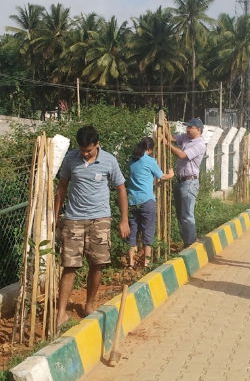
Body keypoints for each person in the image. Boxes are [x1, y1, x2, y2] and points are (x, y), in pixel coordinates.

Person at [54, 125, 129, 326]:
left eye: (89, 150)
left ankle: (89, 304)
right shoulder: (70, 159)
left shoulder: (109, 160)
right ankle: (61, 313)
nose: (85, 153)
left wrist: (124, 220)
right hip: (73, 219)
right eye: (82, 150)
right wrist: (55, 216)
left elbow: (121, 189)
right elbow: (62, 187)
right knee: (69, 266)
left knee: (97, 264)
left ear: (97, 144)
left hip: (100, 220)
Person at [126, 137, 173, 268]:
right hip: (146, 200)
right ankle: (146, 264)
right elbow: (162, 176)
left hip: (132, 201)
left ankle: (130, 263)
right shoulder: (150, 161)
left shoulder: (132, 160)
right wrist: (171, 174)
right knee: (148, 231)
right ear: (150, 149)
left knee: (132, 233)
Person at [165, 118, 207, 248]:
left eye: (190, 127)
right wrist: (165, 125)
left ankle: (190, 244)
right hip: (180, 181)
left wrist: (167, 145)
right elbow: (171, 138)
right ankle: (186, 242)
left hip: (189, 182)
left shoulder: (200, 144)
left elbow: (183, 155)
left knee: (187, 215)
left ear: (198, 130)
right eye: (187, 127)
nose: (187, 129)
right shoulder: (185, 137)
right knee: (180, 215)